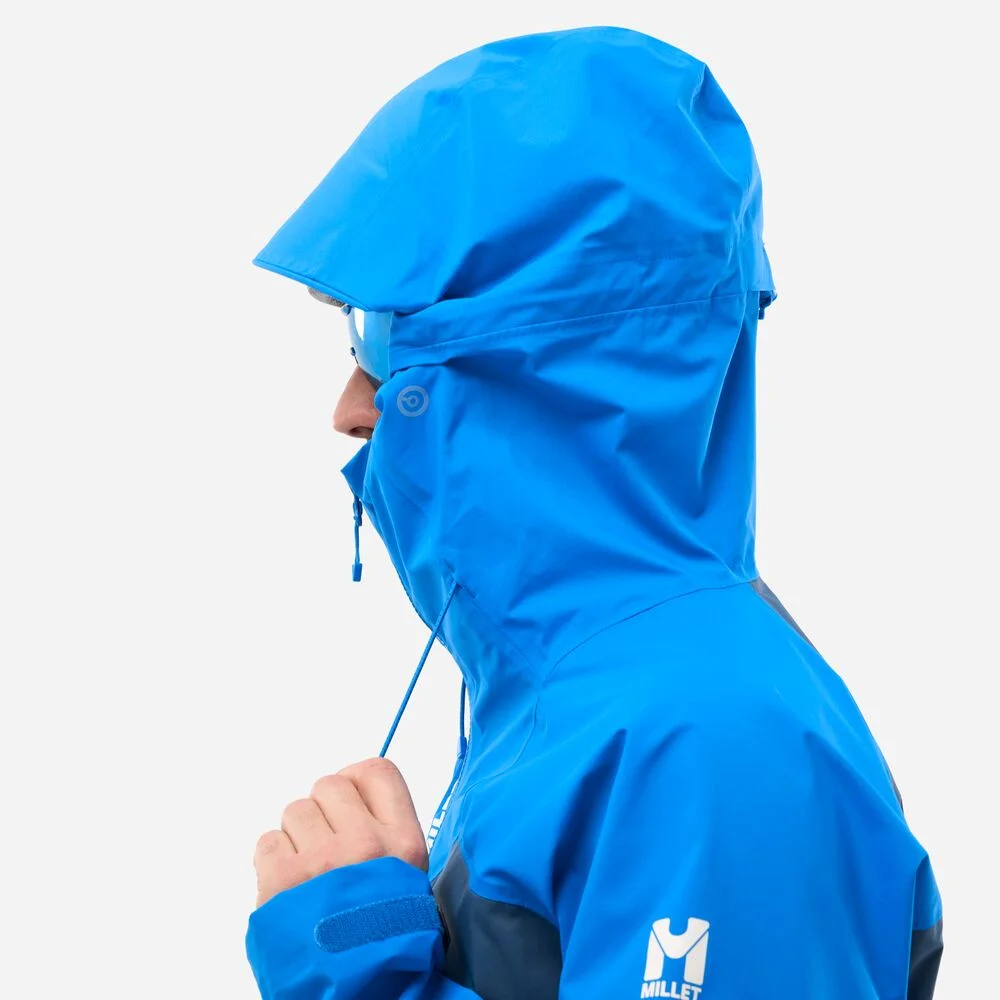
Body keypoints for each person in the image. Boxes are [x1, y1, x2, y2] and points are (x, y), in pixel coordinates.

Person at [246, 25, 943, 1000]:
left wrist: (357, 970)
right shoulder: (600, 711)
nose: (349, 406)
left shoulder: (701, 744)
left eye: (381, 342)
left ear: (533, 369)